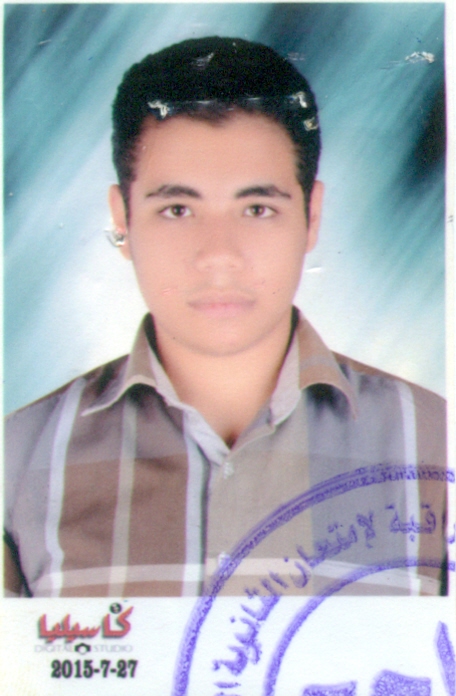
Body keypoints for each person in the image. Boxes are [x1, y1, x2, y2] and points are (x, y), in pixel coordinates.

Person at [4, 36, 448, 598]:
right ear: (122, 220)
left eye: (257, 208)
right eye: (178, 209)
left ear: (311, 216)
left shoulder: (436, 446)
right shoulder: (17, 461)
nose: (219, 255)